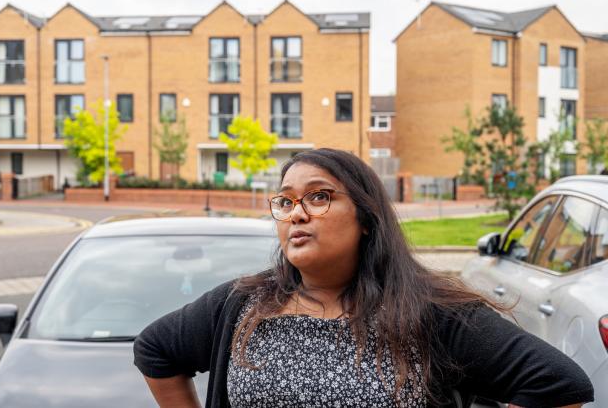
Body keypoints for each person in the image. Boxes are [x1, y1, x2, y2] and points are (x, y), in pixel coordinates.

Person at [134, 148, 594, 407]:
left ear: (367, 218)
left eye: (318, 197)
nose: (297, 213)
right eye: (286, 201)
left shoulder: (427, 312)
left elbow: (559, 384)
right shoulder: (243, 305)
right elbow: (155, 349)